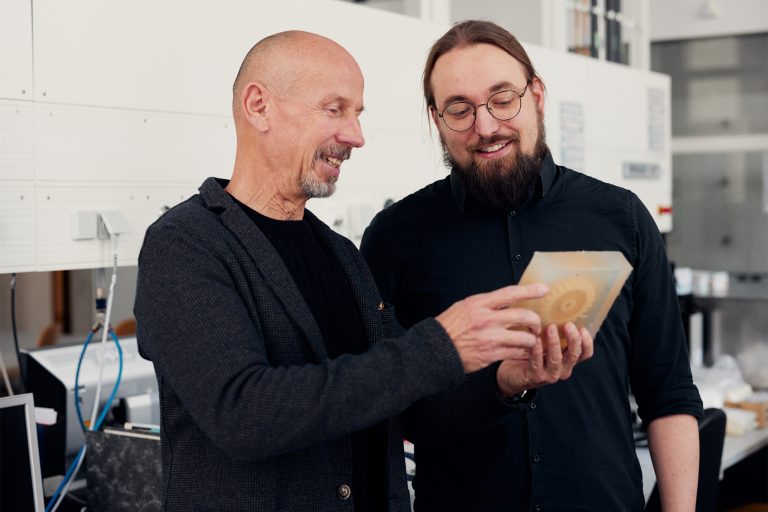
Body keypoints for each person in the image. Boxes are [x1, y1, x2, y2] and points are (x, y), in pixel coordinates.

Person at [134, 30, 591, 512]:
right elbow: (244, 415)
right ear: (258, 106)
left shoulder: (341, 255)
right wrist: (442, 343)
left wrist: (506, 379)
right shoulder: (186, 244)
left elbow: (406, 405)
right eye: (335, 110)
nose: (355, 136)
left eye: (357, 114)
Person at [361, 20, 704, 512]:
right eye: (460, 109)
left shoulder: (621, 219)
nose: (485, 125)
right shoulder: (395, 237)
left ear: (537, 95)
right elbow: (388, 404)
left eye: (503, 99)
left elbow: (667, 391)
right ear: (437, 120)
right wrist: (496, 383)